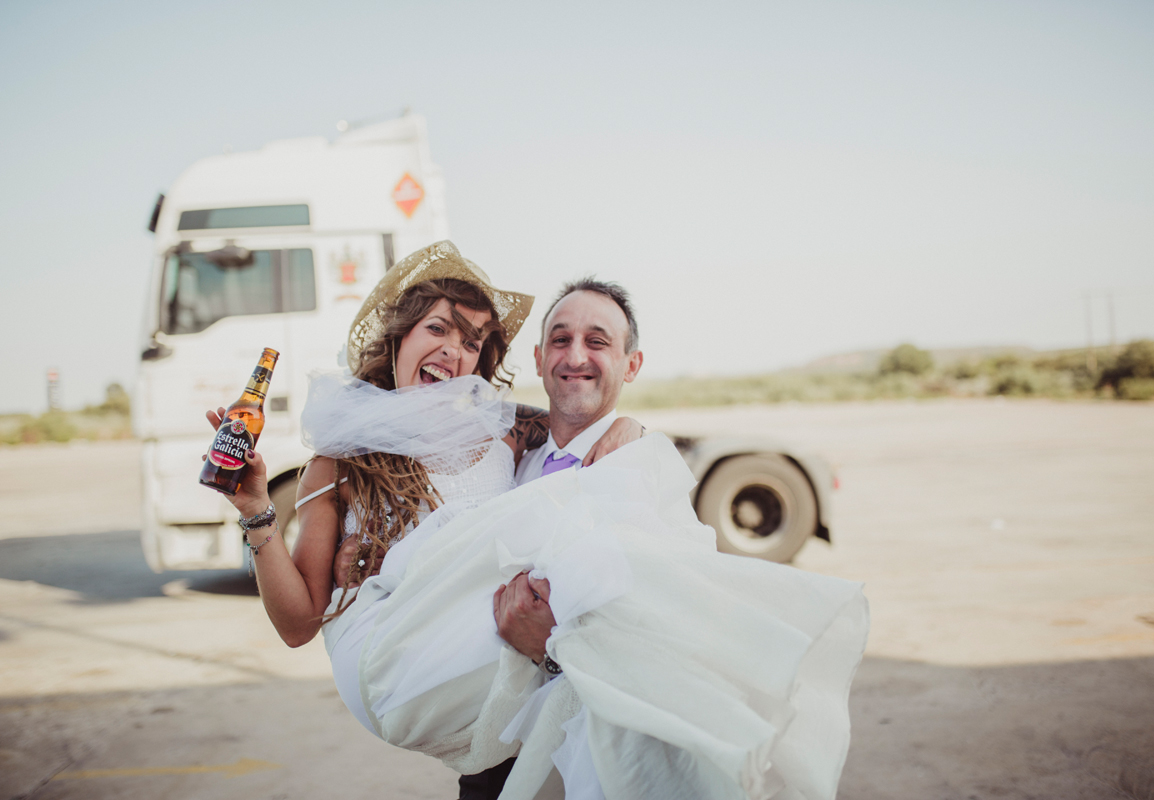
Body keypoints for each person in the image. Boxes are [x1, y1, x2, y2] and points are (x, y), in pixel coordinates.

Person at [325, 275, 870, 800]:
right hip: (495, 765)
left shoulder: (641, 475)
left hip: (588, 770)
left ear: (631, 365)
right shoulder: (513, 465)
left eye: (598, 342)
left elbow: (673, 652)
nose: (576, 356)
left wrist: (554, 651)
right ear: (539, 360)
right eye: (560, 340)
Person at [202, 241, 644, 727]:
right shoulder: (339, 463)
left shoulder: (505, 433)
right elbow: (297, 625)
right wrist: (255, 509)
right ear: (398, 337)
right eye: (437, 328)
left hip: (521, 688)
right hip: (427, 686)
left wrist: (631, 428)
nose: (453, 351)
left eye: (472, 343)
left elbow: (580, 416)